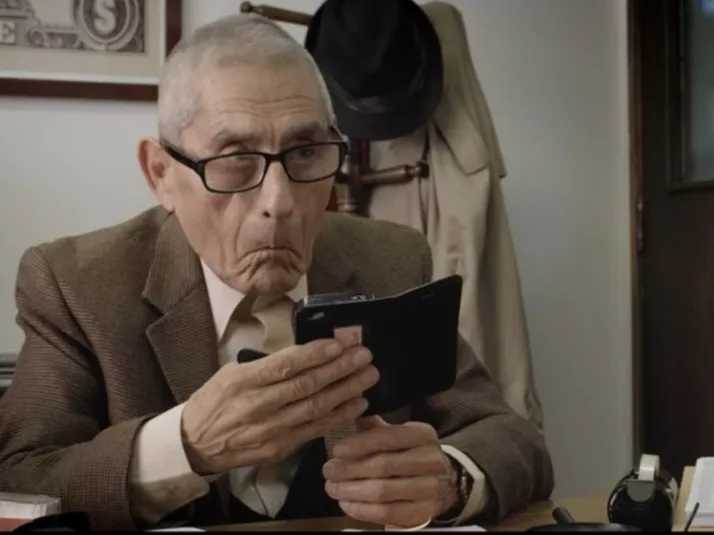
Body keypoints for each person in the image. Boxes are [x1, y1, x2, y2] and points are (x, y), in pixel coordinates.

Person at [0, 14, 554, 531]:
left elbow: (514, 439)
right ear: (161, 173)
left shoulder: (390, 259)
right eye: (235, 159)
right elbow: (21, 479)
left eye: (306, 152)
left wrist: (451, 479)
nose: (279, 202)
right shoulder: (74, 283)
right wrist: (186, 445)